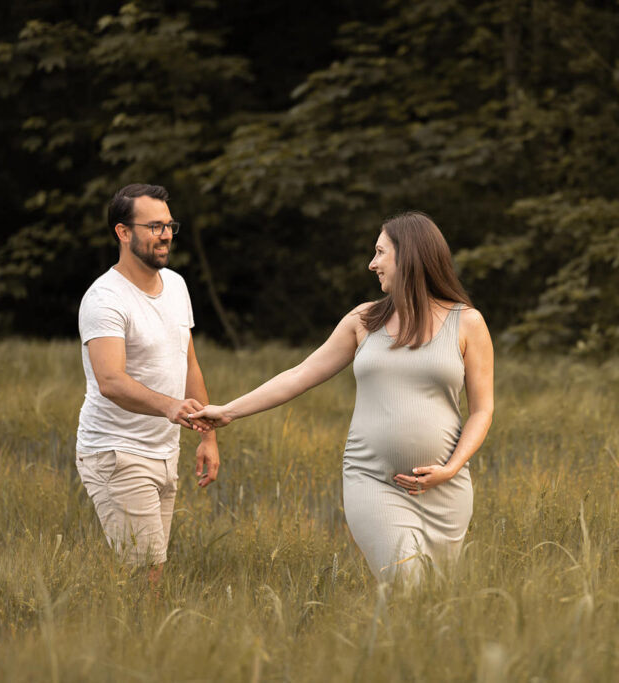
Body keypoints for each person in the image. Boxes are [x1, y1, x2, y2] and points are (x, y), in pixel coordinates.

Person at [190, 211, 494, 583]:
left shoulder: (468, 323)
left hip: (448, 488)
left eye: (380, 253)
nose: (372, 264)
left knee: (435, 604)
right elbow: (299, 376)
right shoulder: (363, 321)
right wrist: (229, 411)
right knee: (407, 584)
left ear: (409, 256)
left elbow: (482, 410)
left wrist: (450, 469)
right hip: (374, 481)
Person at [76, 183, 219, 587]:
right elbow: (110, 381)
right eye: (154, 226)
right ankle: (139, 645)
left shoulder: (176, 285)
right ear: (123, 232)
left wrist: (207, 437)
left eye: (170, 224)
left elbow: (188, 360)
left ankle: (138, 639)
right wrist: (170, 407)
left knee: (148, 570)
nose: (167, 234)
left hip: (163, 451)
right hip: (116, 452)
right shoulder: (105, 298)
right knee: (145, 574)